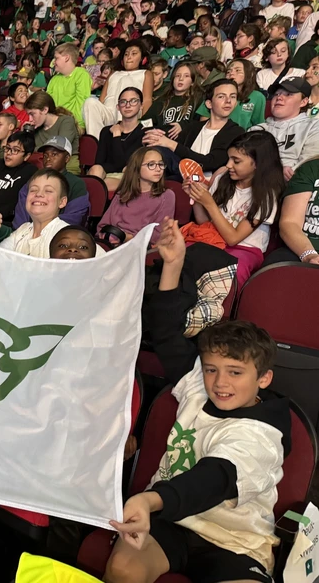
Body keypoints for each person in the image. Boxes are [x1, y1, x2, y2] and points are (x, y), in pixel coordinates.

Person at [105, 217, 288, 583]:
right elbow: (167, 333)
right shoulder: (198, 384)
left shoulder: (263, 432)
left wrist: (148, 499)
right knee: (123, 567)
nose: (219, 383)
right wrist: (173, 266)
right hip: (170, 522)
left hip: (234, 540)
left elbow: (212, 479)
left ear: (263, 378)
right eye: (211, 369)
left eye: (235, 373)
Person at [183, 131, 286, 287]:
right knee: (180, 257)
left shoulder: (266, 196)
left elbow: (233, 238)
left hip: (244, 249)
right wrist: (197, 198)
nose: (228, 165)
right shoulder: (222, 179)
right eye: (229, 158)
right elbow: (205, 222)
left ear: (257, 163)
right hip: (212, 240)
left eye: (236, 161)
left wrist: (209, 203)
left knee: (224, 273)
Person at [143, 79, 245, 177]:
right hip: (182, 179)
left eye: (232, 97)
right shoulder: (193, 127)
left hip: (210, 184)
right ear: (209, 103)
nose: (228, 101)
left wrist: (169, 143)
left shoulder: (236, 132)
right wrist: (154, 138)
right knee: (155, 150)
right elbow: (176, 153)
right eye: (221, 97)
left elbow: (211, 162)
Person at [0, 169, 70, 259]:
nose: (39, 194)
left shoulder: (67, 235)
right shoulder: (22, 231)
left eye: (48, 191)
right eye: (33, 190)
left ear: (62, 202)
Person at [97, 148, 175, 244]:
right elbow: (102, 226)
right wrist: (109, 236)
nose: (158, 169)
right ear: (136, 168)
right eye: (151, 165)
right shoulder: (123, 193)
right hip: (113, 243)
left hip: (141, 248)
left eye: (161, 164)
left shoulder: (166, 196)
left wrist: (127, 238)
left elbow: (159, 235)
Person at [83, 40, 154, 136]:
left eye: (134, 54)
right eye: (126, 54)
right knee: (90, 102)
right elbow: (101, 100)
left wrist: (145, 123)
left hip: (130, 114)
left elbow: (147, 100)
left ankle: (122, 133)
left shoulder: (145, 73)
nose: (129, 57)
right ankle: (97, 142)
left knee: (126, 80)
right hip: (109, 113)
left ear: (143, 59)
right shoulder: (114, 73)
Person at [14, 137, 90, 228]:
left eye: (54, 154)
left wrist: (41, 228)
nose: (48, 159)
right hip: (27, 233)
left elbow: (74, 218)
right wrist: (25, 231)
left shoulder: (76, 183)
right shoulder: (35, 179)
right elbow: (21, 212)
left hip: (57, 234)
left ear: (67, 158)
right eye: (45, 155)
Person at [89, 87, 149, 193]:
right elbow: (100, 162)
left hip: (129, 177)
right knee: (96, 169)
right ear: (118, 106)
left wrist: (116, 135)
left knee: (102, 185)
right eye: (123, 101)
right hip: (106, 174)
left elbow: (125, 163)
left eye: (133, 101)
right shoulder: (107, 131)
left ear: (141, 105)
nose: (128, 105)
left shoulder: (144, 132)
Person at [197, 59, 266, 129]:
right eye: (228, 71)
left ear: (250, 74)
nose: (231, 73)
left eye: (237, 70)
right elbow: (204, 120)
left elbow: (258, 126)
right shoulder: (215, 90)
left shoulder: (257, 97)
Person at [26, 91, 81, 174]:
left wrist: (35, 151)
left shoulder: (66, 121)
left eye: (32, 114)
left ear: (45, 110)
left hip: (65, 167)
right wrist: (26, 134)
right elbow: (25, 152)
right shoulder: (36, 128)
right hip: (41, 168)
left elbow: (59, 148)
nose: (30, 119)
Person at [47, 42, 93, 129]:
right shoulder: (54, 79)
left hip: (74, 124)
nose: (53, 62)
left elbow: (82, 103)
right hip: (55, 124)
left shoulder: (81, 74)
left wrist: (75, 125)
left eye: (56, 58)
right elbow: (48, 103)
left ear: (67, 58)